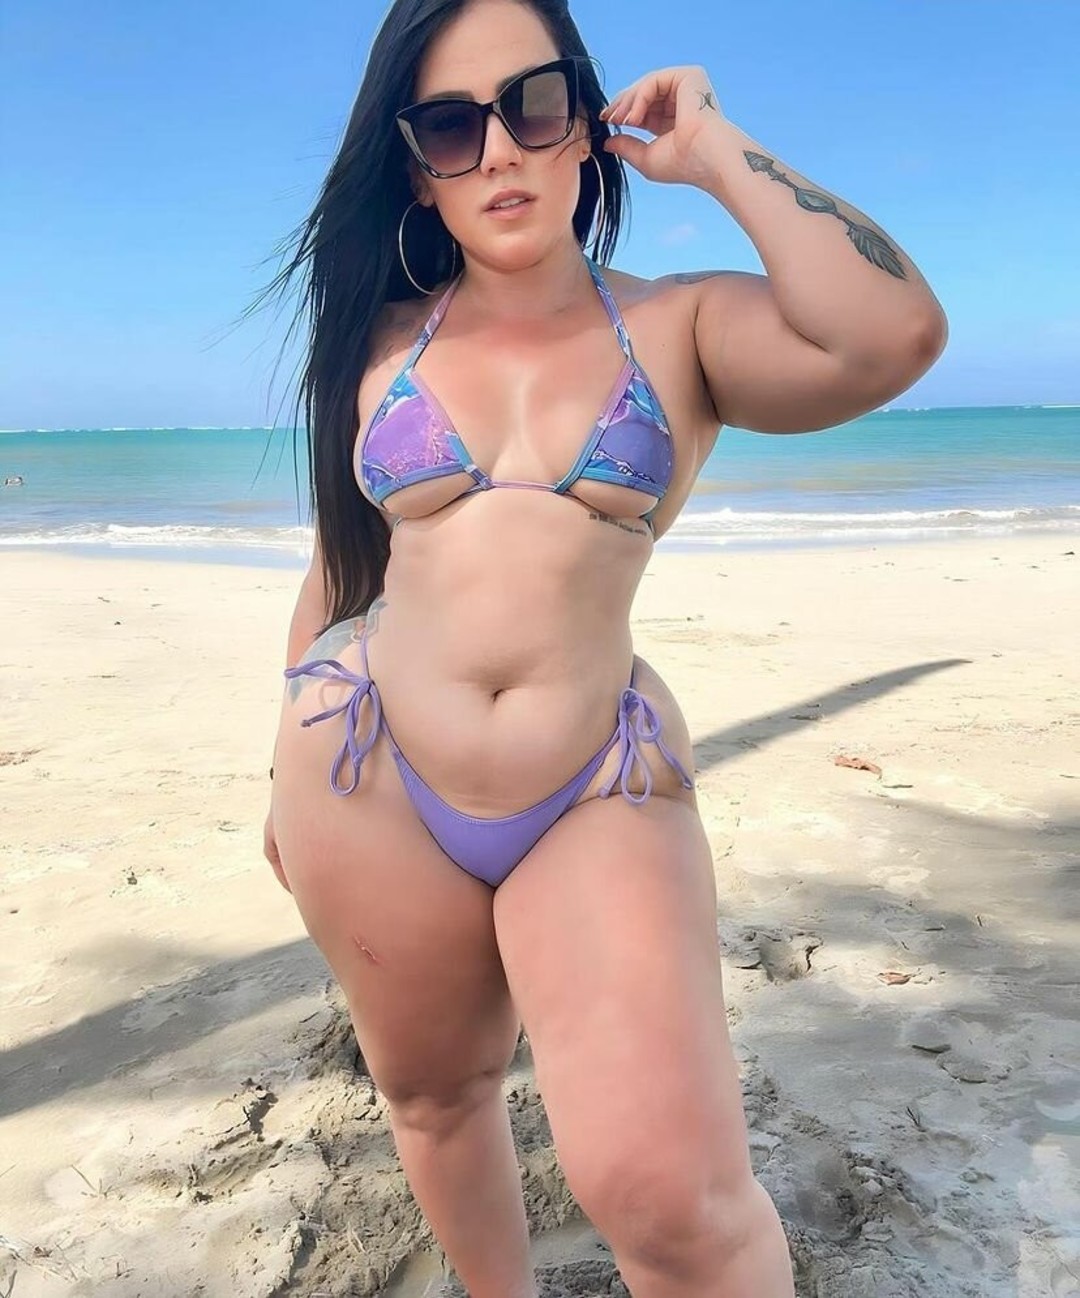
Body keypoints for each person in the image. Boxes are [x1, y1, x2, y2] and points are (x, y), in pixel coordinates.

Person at [259, 0, 947, 1293]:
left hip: (591, 781)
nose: (498, 151)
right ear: (414, 164)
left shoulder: (680, 328)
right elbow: (345, 565)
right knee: (436, 1096)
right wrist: (279, 770)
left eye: (530, 105)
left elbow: (891, 334)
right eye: (449, 127)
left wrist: (718, 149)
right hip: (365, 771)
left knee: (672, 1195)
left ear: (582, 115)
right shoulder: (379, 341)